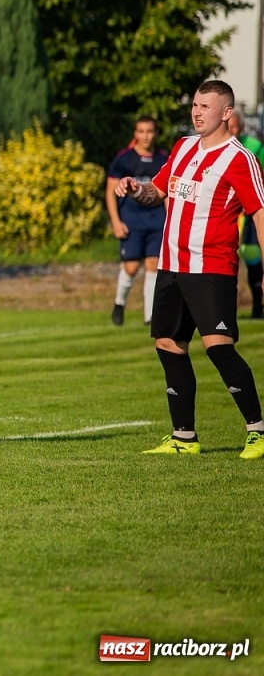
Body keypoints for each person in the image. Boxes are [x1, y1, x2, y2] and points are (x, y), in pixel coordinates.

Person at [115, 80, 264, 459]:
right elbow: (157, 193)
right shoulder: (182, 148)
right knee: (168, 343)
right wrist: (135, 189)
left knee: (218, 347)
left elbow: (260, 214)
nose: (197, 112)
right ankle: (184, 438)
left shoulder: (239, 158)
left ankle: (258, 431)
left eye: (205, 106)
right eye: (194, 105)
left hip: (211, 267)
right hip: (171, 265)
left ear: (226, 113)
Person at [106, 117, 169, 327]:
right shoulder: (124, 159)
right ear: (135, 133)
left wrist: (170, 221)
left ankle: (150, 315)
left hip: (156, 220)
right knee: (131, 267)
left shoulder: (163, 159)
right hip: (131, 220)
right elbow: (110, 192)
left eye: (149, 131)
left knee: (153, 265)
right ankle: (119, 302)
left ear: (155, 133)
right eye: (141, 131)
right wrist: (115, 221)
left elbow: (168, 193)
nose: (145, 136)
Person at [226, 110, 264, 318]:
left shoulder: (255, 147)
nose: (232, 130)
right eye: (229, 126)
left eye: (235, 126)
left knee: (252, 256)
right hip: (228, 212)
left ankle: (257, 305)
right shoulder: (215, 147)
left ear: (240, 127)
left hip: (250, 212)